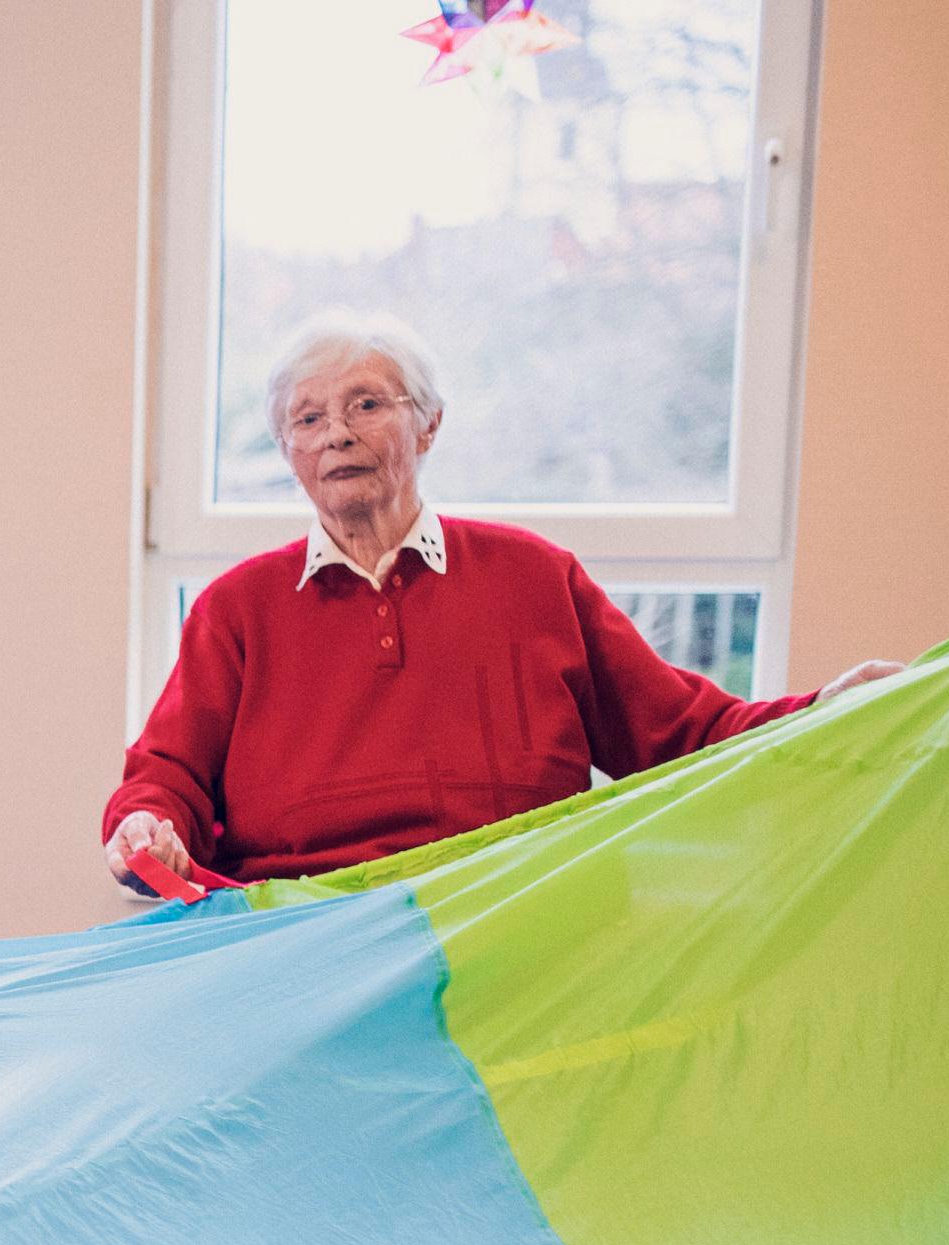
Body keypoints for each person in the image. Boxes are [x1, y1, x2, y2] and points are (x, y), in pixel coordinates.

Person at [102, 310, 904, 890]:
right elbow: (164, 776)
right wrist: (145, 824)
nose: (336, 434)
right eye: (307, 418)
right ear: (286, 451)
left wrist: (823, 710)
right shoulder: (236, 609)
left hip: (512, 927)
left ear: (429, 427)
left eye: (366, 405)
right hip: (304, 944)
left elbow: (680, 732)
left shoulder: (534, 577)